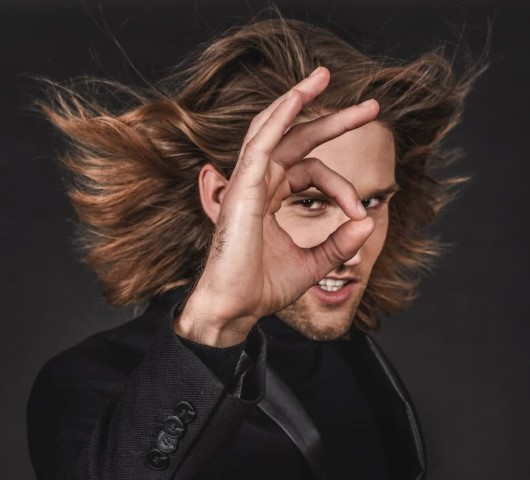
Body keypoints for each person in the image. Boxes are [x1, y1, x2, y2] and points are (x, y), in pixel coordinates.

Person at [27, 15, 481, 480]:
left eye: (371, 201)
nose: (352, 248)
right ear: (222, 199)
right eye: (310, 202)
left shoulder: (356, 361)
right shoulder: (90, 381)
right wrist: (216, 326)